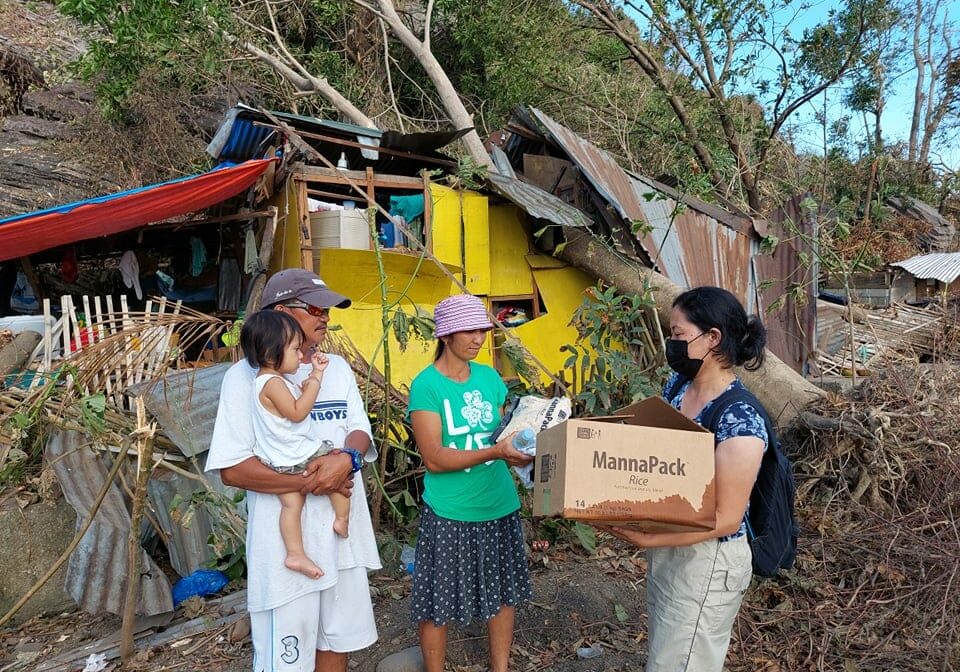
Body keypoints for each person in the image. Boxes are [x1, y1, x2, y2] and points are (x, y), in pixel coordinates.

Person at [206, 269, 381, 672]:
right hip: (286, 551)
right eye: (317, 308)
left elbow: (360, 431)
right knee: (287, 663)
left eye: (329, 310)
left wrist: (346, 460)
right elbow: (232, 469)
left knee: (336, 645)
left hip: (343, 541)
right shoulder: (244, 379)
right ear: (282, 312)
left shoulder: (334, 367)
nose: (327, 318)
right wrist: (308, 481)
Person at [599, 286, 768, 672]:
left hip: (708, 560)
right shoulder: (679, 388)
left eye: (678, 335)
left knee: (682, 663)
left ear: (712, 338)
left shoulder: (739, 420)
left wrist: (650, 537)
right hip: (673, 547)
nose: (671, 344)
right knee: (669, 656)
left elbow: (725, 518)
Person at [407, 293, 535, 672]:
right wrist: (497, 453)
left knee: (503, 595)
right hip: (450, 509)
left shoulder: (489, 377)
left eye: (482, 328)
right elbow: (434, 457)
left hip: (498, 502)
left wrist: (526, 444)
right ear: (445, 334)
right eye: (469, 329)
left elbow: (498, 433)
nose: (479, 337)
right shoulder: (426, 386)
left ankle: (501, 668)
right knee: (436, 602)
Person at [241, 309, 351, 580]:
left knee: (292, 505)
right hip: (299, 455)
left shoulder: (265, 382)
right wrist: (315, 379)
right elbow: (297, 412)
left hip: (278, 460)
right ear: (270, 354)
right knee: (338, 468)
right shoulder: (273, 382)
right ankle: (342, 519)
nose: (301, 356)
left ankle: (295, 553)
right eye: (294, 350)